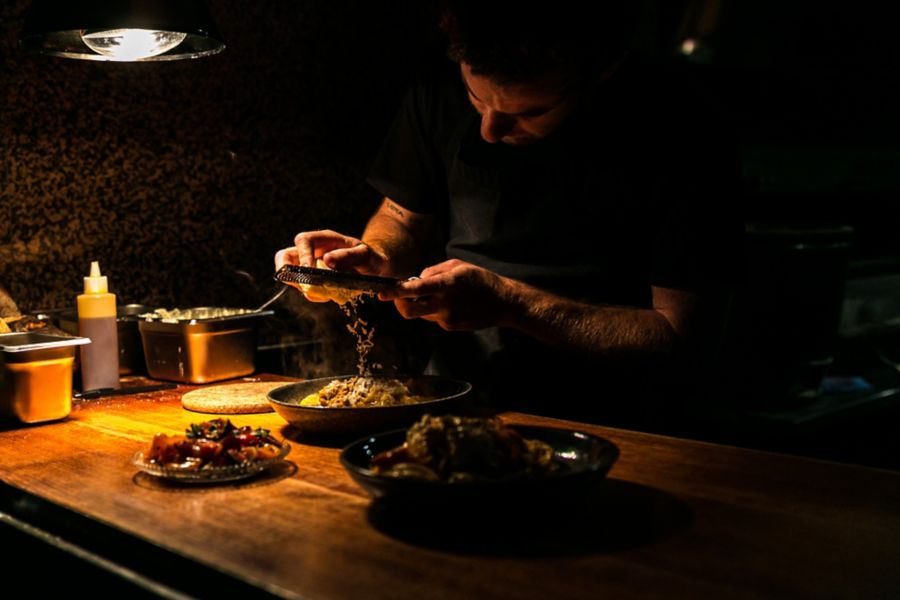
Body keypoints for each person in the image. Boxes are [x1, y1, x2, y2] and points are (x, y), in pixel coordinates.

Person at [276, 0, 742, 428]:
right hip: (458, 403)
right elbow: (400, 216)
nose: (490, 130)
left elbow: (681, 339)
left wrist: (511, 304)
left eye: (531, 112)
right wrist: (373, 256)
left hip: (618, 419)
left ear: (603, 71)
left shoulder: (687, 129)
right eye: (475, 99)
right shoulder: (441, 78)